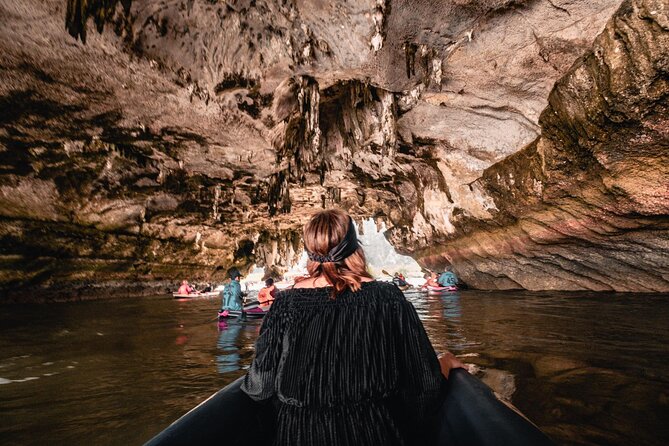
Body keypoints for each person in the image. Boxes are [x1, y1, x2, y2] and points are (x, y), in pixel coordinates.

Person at [241, 209, 464, 445]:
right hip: (372, 432)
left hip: (298, 435)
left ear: (309, 251)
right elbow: (424, 386)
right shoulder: (388, 298)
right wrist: (446, 362)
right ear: (355, 248)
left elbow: (260, 387)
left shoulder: (285, 304)